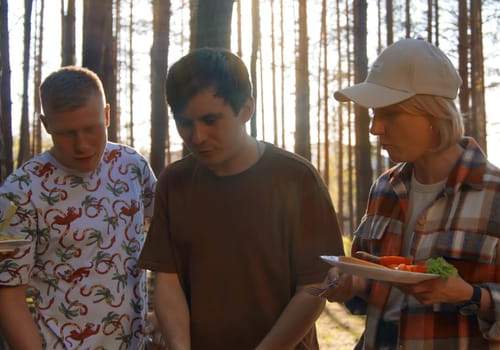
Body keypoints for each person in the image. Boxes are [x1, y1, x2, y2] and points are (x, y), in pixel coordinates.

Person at [322, 38, 500, 349]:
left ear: (434, 116)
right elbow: (378, 292)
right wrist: (353, 284)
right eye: (373, 114)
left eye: (389, 114)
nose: (375, 128)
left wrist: (472, 296)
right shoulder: (385, 190)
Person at [137, 47, 345, 350]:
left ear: (246, 109)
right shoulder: (175, 182)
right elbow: (167, 281)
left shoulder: (297, 179)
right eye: (185, 123)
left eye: (211, 120)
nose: (197, 137)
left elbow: (314, 287)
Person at [0, 66, 156, 349]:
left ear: (106, 114)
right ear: (46, 124)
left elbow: (167, 239)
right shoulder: (19, 193)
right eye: (67, 133)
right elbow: (9, 297)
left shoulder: (131, 166)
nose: (82, 145)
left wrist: (162, 315)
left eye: (91, 129)